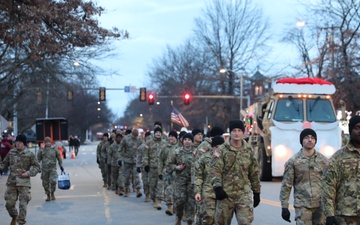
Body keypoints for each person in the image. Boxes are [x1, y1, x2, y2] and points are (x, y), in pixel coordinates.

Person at [210, 120, 261, 225]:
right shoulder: (222, 150)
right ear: (230, 132)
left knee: (245, 222)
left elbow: (254, 172)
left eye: (239, 130)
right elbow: (215, 170)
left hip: (243, 194)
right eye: (234, 131)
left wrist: (256, 192)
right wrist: (218, 188)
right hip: (225, 195)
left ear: (243, 132)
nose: (236, 133)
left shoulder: (249, 150)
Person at [279, 128, 327, 224]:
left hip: (321, 204)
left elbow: (330, 183)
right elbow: (286, 185)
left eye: (312, 138)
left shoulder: (323, 161)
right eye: (306, 137)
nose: (310, 140)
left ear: (315, 141)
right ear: (301, 141)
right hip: (302, 205)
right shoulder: (293, 161)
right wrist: (284, 206)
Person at [322, 115, 360, 225]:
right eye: (356, 128)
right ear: (350, 130)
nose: (359, 131)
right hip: (345, 216)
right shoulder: (338, 157)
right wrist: (329, 214)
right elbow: (328, 186)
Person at [0, 134, 41, 225]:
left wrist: (29, 173)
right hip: (12, 182)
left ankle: (21, 222)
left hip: (24, 182)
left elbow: (37, 167)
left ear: (24, 143)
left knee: (23, 205)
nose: (18, 144)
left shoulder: (29, 154)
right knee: (9, 204)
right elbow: (3, 164)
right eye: (17, 142)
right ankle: (14, 216)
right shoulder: (11, 152)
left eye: (20, 142)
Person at [194, 136, 225, 225]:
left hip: (222, 192)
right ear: (213, 147)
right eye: (217, 147)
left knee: (219, 219)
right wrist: (197, 191)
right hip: (208, 191)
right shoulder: (204, 159)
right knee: (208, 216)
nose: (219, 149)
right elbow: (198, 176)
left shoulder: (227, 159)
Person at [167, 133, 196, 225]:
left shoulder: (196, 152)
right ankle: (179, 217)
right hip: (179, 180)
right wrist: (176, 167)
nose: (187, 142)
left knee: (191, 202)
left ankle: (190, 220)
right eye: (185, 140)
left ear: (192, 141)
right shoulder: (176, 151)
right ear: (182, 141)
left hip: (192, 181)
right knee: (179, 200)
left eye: (189, 140)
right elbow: (169, 164)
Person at [142, 127, 167, 210]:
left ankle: (158, 201)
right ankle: (153, 199)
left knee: (160, 185)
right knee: (152, 185)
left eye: (160, 132)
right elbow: (145, 154)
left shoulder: (164, 143)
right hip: (152, 167)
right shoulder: (149, 142)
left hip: (161, 168)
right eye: (157, 132)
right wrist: (146, 164)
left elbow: (167, 154)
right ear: (154, 133)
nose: (158, 134)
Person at [157, 130, 179, 216]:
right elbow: (160, 160)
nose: (171, 138)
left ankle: (176, 207)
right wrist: (160, 172)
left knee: (177, 192)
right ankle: (169, 207)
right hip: (167, 172)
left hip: (178, 172)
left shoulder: (179, 147)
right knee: (168, 190)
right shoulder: (165, 147)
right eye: (170, 136)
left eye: (173, 136)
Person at [37, 137, 64, 201]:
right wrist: (37, 167)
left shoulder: (54, 149)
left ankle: (52, 193)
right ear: (44, 143)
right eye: (46, 142)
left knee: (53, 181)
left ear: (51, 142)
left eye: (49, 142)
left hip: (52, 168)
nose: (47, 143)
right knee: (45, 183)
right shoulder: (41, 150)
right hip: (44, 169)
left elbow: (59, 158)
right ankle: (48, 195)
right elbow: (38, 159)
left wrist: (61, 166)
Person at [119, 128, 143, 197]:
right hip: (127, 160)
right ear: (132, 134)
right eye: (134, 136)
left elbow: (142, 149)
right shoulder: (125, 139)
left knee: (136, 176)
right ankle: (126, 189)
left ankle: (138, 190)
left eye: (136, 136)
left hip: (136, 160)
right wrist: (120, 159)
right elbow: (120, 149)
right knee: (126, 176)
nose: (135, 137)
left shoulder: (139, 139)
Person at [137, 131, 152, 201]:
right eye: (147, 137)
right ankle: (147, 195)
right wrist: (138, 166)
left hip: (153, 166)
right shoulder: (142, 147)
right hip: (144, 166)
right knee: (145, 181)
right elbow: (139, 157)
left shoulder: (154, 145)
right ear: (145, 138)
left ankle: (154, 195)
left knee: (152, 182)